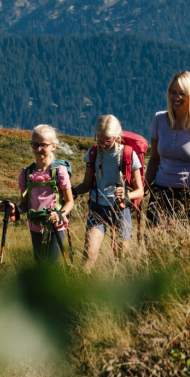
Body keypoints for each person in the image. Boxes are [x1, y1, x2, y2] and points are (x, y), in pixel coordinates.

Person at [72, 115, 144, 272]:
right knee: (89, 254)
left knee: (121, 258)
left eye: (108, 141)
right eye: (99, 140)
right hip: (97, 208)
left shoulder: (129, 155)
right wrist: (72, 192)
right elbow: (86, 184)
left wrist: (126, 194)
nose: (103, 144)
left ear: (117, 135)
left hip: (121, 209)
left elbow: (140, 191)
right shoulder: (92, 154)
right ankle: (82, 287)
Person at [145, 70, 190, 224]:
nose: (176, 98)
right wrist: (144, 186)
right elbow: (154, 159)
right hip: (161, 190)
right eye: (173, 92)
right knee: (155, 241)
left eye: (182, 94)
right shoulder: (159, 119)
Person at [0, 124, 74, 264]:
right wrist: (14, 208)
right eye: (34, 144)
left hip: (56, 226)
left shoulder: (60, 172)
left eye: (43, 145)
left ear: (54, 146)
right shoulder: (26, 173)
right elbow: (24, 205)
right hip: (35, 227)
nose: (38, 149)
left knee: (50, 266)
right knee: (39, 265)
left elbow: (70, 202)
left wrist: (59, 215)